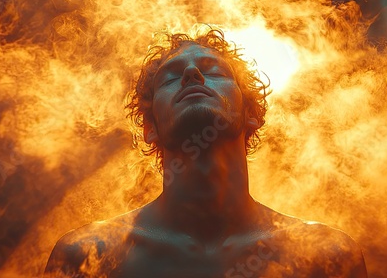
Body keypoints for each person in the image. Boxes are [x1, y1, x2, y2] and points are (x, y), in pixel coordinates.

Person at [44, 27, 368, 278]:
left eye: (213, 70)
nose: (191, 74)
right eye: (170, 77)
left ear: (251, 113)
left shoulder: (326, 255)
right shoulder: (87, 254)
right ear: (150, 128)